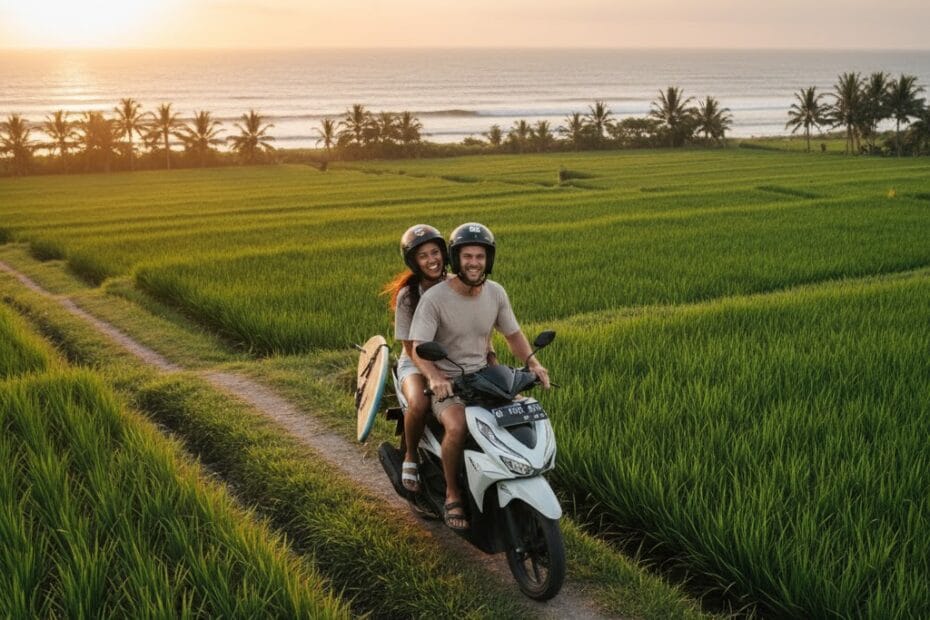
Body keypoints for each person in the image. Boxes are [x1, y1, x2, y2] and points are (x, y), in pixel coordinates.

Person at [410, 222, 549, 531]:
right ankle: (452, 493)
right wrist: (435, 378)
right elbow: (419, 347)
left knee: (522, 412)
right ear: (456, 259)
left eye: (480, 257)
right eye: (468, 256)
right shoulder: (435, 299)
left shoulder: (496, 293)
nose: (474, 263)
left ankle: (508, 476)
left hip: (486, 376)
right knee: (457, 425)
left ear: (489, 260)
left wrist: (533, 364)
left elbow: (512, 334)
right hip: (450, 383)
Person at [383, 224, 450, 495]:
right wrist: (431, 373)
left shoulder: (455, 285)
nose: (431, 259)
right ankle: (410, 456)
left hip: (448, 359)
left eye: (435, 252)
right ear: (414, 262)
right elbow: (410, 346)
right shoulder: (408, 296)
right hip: (414, 361)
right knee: (420, 403)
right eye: (423, 256)